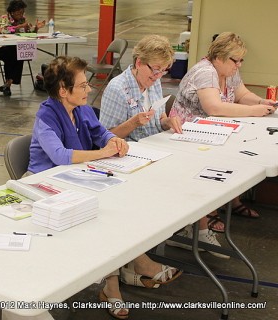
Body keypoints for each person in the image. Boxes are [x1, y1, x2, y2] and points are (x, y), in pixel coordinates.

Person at [27, 56, 182, 319]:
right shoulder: (46, 115)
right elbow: (60, 156)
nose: (88, 90)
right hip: (45, 184)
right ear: (63, 91)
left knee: (122, 204)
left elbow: (101, 132)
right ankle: (115, 281)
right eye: (83, 85)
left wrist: (113, 141)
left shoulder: (82, 109)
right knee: (104, 215)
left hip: (75, 177)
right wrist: (103, 153)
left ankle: (128, 267)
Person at [100, 34, 230, 260]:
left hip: (153, 148)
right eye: (155, 70)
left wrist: (167, 121)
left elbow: (158, 116)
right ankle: (169, 235)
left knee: (195, 172)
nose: (158, 76)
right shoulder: (118, 88)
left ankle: (194, 229)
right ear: (139, 62)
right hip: (128, 157)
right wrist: (133, 123)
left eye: (163, 71)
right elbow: (105, 137)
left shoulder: (153, 82)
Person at [169, 31, 277, 219]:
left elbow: (242, 95)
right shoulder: (205, 72)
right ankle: (208, 212)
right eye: (236, 61)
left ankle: (231, 201)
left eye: (241, 61)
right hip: (187, 133)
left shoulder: (229, 71)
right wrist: (253, 111)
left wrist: (261, 102)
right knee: (225, 157)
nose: (239, 65)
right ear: (219, 57)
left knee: (238, 153)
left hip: (212, 131)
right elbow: (214, 108)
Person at [0, 0, 46, 96]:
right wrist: (19, 27)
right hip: (3, 47)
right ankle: (8, 83)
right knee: (16, 54)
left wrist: (36, 28)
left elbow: (26, 33)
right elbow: (4, 30)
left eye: (22, 12)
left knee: (19, 53)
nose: (21, 14)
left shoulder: (22, 19)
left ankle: (8, 84)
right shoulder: (4, 18)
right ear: (12, 12)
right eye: (19, 13)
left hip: (16, 48)